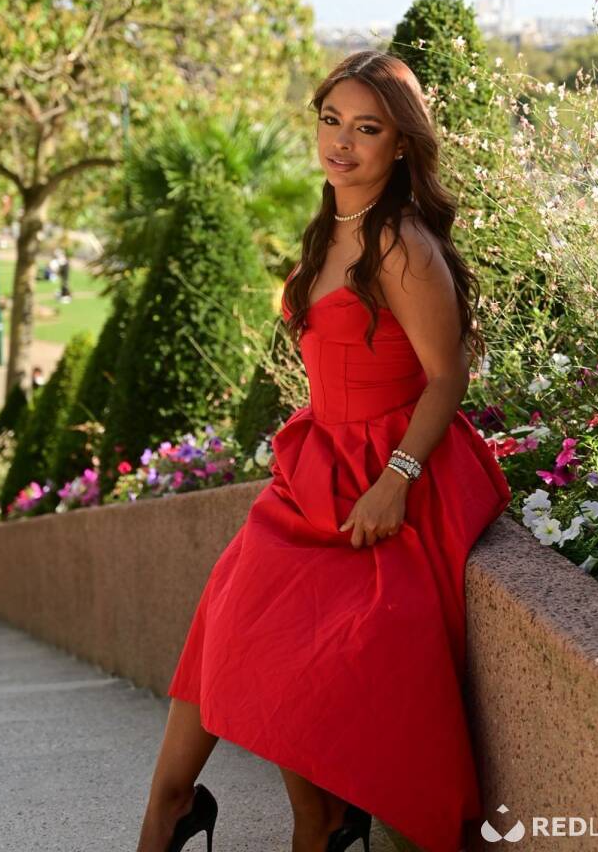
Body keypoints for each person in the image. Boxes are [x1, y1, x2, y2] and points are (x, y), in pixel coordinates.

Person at [135, 51, 512, 852]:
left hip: (392, 470)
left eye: (366, 129)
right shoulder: (327, 228)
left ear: (401, 145)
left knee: (290, 642)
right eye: (331, 121)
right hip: (318, 467)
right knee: (227, 622)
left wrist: (394, 481)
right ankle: (170, 806)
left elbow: (447, 377)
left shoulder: (401, 244)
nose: (341, 143)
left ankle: (316, 821)